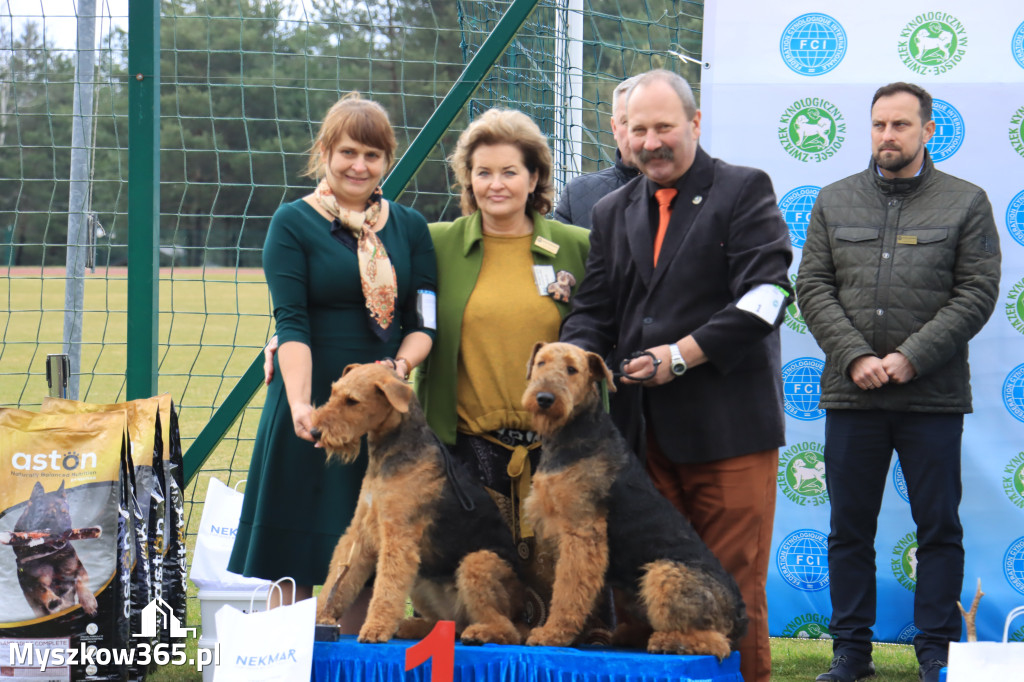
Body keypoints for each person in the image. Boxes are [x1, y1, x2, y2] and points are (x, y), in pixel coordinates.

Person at [559, 68, 793, 682]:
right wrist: (571, 360)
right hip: (637, 440)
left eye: (664, 127)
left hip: (729, 432)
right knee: (641, 588)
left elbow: (767, 296)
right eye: (639, 130)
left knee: (730, 587)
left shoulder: (745, 190)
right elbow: (594, 309)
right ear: (622, 133)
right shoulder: (611, 210)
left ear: (694, 123)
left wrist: (681, 354)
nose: (651, 141)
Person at [796, 82, 1000, 682]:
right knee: (848, 529)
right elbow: (812, 286)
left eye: (901, 125)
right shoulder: (834, 201)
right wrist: (856, 355)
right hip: (851, 393)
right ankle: (850, 654)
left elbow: (977, 292)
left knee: (939, 527)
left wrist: (911, 356)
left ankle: (934, 650)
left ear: (928, 130)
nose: (889, 136)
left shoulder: (966, 202)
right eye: (880, 125)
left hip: (931, 398)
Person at [230, 93, 437, 626]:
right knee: (292, 558)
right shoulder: (293, 223)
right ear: (325, 152)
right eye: (348, 152)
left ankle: (356, 662)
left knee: (366, 556)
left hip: (380, 410)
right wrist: (302, 405)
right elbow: (291, 323)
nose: (359, 166)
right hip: (312, 398)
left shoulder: (410, 227)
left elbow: (424, 324)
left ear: (388, 160)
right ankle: (285, 665)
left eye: (372, 155)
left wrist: (398, 369)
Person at [418, 108, 590, 626]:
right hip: (467, 453)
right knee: (473, 610)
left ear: (534, 177)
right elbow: (373, 303)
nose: (497, 184)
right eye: (483, 172)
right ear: (468, 179)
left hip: (559, 451)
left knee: (560, 614)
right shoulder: (435, 242)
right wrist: (281, 336)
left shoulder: (576, 246)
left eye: (510, 171)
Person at [553, 75, 641, 228]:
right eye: (626, 122)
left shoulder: (688, 193)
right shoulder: (577, 195)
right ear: (614, 127)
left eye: (643, 122)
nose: (634, 132)